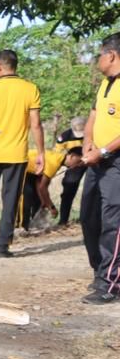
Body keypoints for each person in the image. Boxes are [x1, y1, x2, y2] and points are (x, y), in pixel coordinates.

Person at [0, 50, 44, 257]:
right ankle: (2, 246)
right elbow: (36, 125)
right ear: (15, 66)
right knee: (11, 199)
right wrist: (41, 152)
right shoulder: (30, 89)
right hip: (16, 154)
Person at [80, 32, 120, 305]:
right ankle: (100, 271)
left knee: (112, 222)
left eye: (100, 55)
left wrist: (104, 151)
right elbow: (93, 118)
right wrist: (87, 145)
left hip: (114, 162)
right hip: (95, 161)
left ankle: (111, 282)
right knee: (89, 217)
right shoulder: (105, 84)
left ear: (112, 55)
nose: (97, 60)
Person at [21, 146, 83, 232]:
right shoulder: (54, 163)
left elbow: (39, 182)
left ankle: (30, 226)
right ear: (72, 156)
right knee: (27, 197)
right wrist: (51, 207)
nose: (79, 165)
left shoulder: (57, 157)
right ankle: (21, 227)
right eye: (79, 161)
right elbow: (43, 187)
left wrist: (44, 202)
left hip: (28, 170)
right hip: (20, 166)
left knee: (37, 199)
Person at [55, 117, 87, 226]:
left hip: (93, 161)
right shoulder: (64, 137)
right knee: (68, 189)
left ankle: (90, 219)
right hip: (75, 164)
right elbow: (58, 155)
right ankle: (63, 221)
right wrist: (69, 162)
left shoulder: (94, 132)